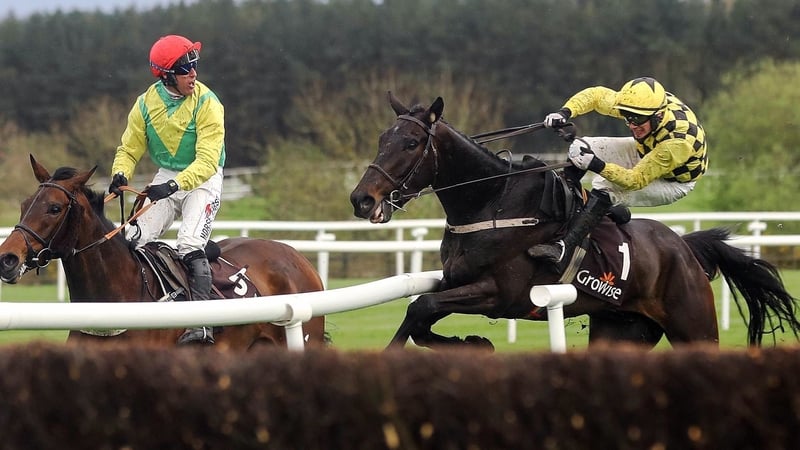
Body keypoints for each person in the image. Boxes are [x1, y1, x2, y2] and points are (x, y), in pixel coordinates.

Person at [108, 34, 226, 345]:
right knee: (133, 238)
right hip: (166, 178)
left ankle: (202, 324)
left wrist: (172, 185)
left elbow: (207, 161)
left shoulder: (209, 103)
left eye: (195, 67)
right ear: (167, 75)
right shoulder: (145, 104)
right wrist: (120, 172)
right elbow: (129, 148)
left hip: (203, 179)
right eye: (187, 70)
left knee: (188, 242)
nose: (194, 75)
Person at [528, 76, 707, 271]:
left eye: (637, 119)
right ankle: (562, 213)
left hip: (671, 181)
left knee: (605, 186)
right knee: (579, 147)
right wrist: (565, 112)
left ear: (658, 116)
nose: (631, 124)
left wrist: (597, 165)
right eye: (626, 116)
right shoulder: (639, 108)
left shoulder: (678, 141)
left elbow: (635, 180)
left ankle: (564, 248)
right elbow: (596, 96)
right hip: (647, 151)